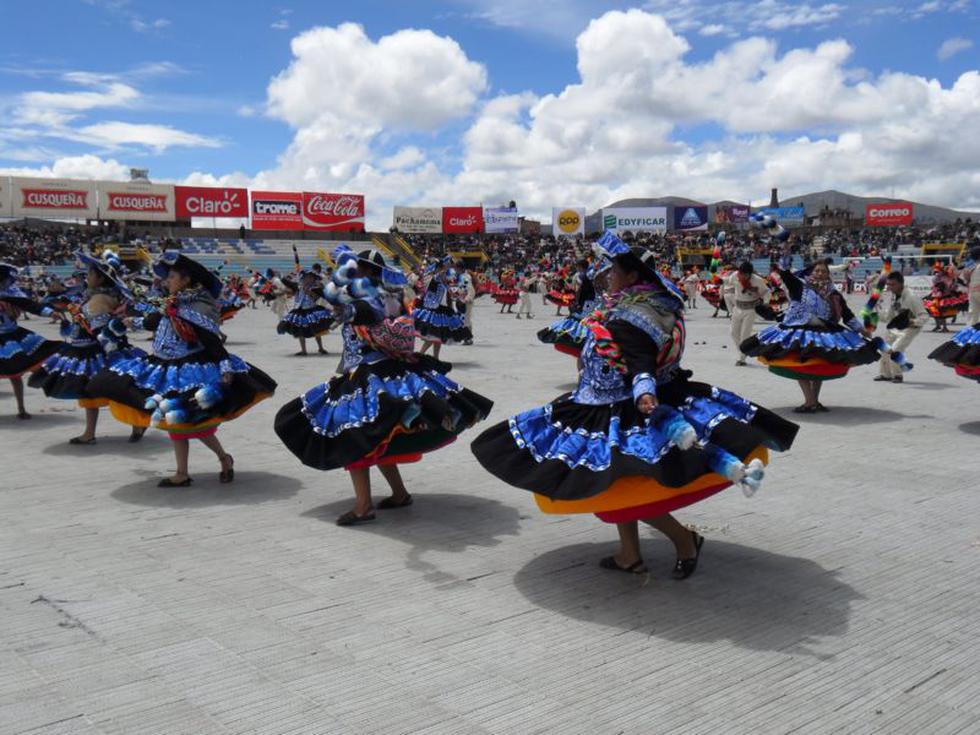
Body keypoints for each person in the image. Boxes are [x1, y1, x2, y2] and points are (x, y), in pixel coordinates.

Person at [472, 233, 798, 578]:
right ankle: (630, 553)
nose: (608, 275)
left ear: (631, 276)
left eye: (613, 270)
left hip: (632, 406)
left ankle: (684, 540)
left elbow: (640, 359)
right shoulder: (646, 304)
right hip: (609, 401)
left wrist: (644, 391)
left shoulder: (635, 315)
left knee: (627, 486)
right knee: (617, 485)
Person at [274, 248, 493, 526]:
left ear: (369, 272)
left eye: (359, 268)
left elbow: (359, 310)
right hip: (380, 369)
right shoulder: (389, 293)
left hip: (372, 373)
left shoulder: (371, 297)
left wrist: (338, 303)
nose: (355, 272)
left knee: (353, 434)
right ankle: (399, 494)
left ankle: (363, 506)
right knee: (376, 434)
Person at [87, 251, 276, 486]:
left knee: (181, 422)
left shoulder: (196, 306)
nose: (167, 281)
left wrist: (225, 368)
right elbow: (157, 321)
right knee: (182, 424)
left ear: (186, 280)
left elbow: (211, 339)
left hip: (187, 371)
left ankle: (189, 471)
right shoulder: (174, 302)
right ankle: (217, 461)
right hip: (164, 365)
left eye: (172, 276)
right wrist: (130, 322)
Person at [739, 248, 879, 413]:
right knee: (800, 364)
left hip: (823, 333)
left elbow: (847, 314)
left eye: (823, 271)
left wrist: (861, 330)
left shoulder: (834, 294)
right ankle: (810, 401)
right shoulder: (799, 286)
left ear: (828, 274)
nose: (819, 273)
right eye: (817, 270)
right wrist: (785, 250)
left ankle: (813, 401)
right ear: (812, 272)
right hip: (798, 332)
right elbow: (784, 273)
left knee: (818, 365)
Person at [29, 250, 147, 444]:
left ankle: (135, 424)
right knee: (87, 392)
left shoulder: (100, 300)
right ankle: (91, 432)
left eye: (91, 274)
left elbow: (102, 330)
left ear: (100, 279)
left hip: (97, 353)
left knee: (116, 390)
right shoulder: (91, 296)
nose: (88, 276)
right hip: (83, 350)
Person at [0, 263, 62, 419]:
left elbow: (30, 305)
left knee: (17, 370)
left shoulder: (11, 293)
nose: (7, 282)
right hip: (7, 337)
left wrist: (50, 313)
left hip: (13, 335)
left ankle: (21, 408)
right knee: (15, 371)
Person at [873, 272, 928, 384]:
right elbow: (890, 315)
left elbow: (924, 316)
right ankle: (886, 374)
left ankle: (898, 375)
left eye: (893, 284)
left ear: (901, 283)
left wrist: (911, 322)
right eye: (888, 284)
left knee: (895, 349)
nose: (890, 287)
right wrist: (876, 315)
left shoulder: (912, 297)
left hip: (910, 328)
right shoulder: (894, 296)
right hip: (896, 326)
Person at [415, 257, 472, 360]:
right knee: (433, 336)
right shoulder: (437, 276)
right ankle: (420, 354)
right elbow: (443, 278)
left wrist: (459, 295)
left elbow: (451, 291)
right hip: (434, 309)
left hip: (443, 309)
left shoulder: (445, 279)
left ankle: (435, 358)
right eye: (449, 265)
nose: (451, 267)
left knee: (439, 336)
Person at [277, 269, 333, 355]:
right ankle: (303, 350)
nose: (309, 279)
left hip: (312, 310)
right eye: (307, 277)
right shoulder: (298, 287)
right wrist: (291, 273)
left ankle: (320, 348)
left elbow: (321, 297)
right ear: (303, 278)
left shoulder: (316, 288)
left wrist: (310, 293)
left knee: (317, 329)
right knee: (299, 330)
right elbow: (286, 282)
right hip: (299, 310)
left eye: (311, 278)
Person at [728, 261, 771, 366]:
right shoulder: (734, 276)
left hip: (751, 309)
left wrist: (766, 302)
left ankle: (741, 359)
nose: (742, 276)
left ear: (750, 274)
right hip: (737, 308)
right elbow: (729, 283)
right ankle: (744, 351)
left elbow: (766, 292)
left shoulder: (758, 280)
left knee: (745, 335)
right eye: (741, 273)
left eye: (745, 274)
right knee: (733, 332)